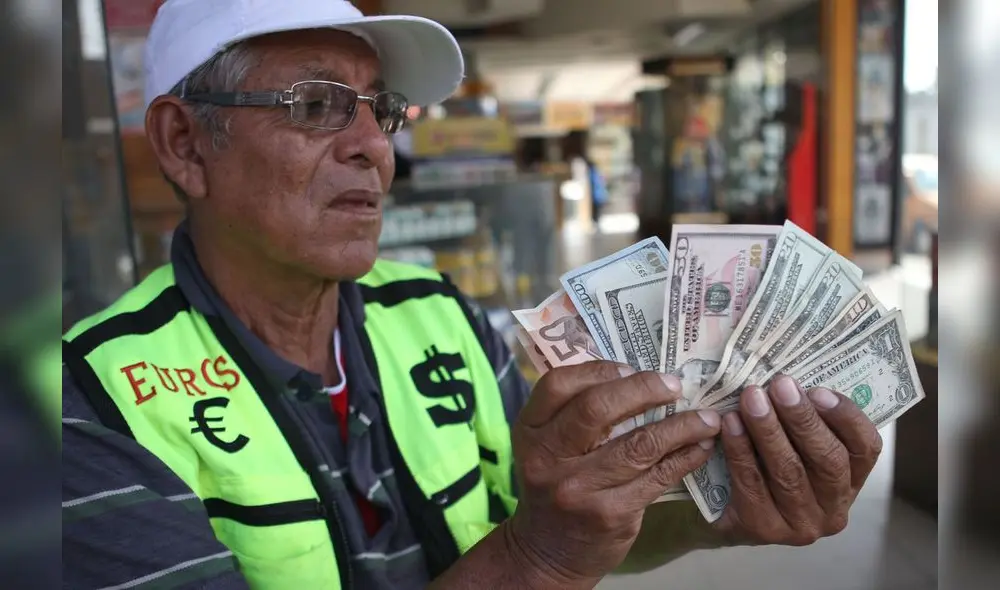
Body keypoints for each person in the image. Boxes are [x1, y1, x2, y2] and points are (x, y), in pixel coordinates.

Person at [62, 1, 884, 588]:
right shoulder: (83, 406)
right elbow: (545, 544)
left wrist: (723, 511)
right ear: (183, 144)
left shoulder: (440, 315)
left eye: (380, 110)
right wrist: (535, 562)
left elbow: (576, 522)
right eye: (315, 106)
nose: (375, 150)